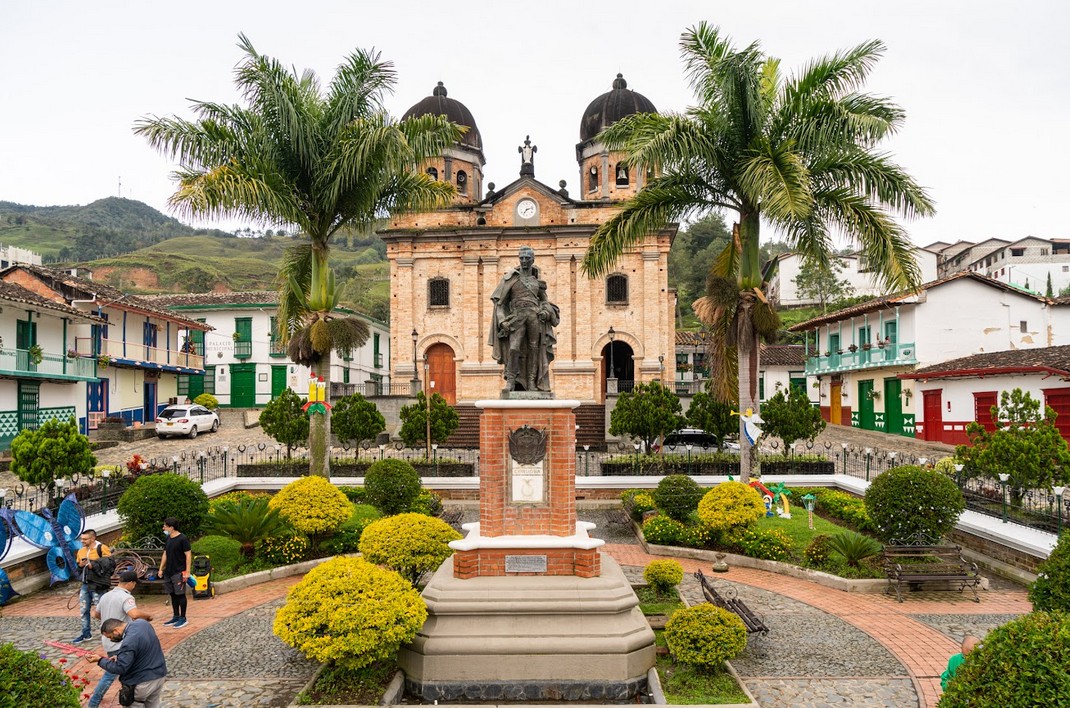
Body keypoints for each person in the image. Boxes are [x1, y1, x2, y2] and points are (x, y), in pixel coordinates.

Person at [488, 246, 560, 392]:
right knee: (514, 348)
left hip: (534, 317)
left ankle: (532, 382)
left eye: (527, 258)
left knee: (534, 349)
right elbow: (500, 304)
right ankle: (511, 381)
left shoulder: (537, 283)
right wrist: (502, 321)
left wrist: (546, 313)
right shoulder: (511, 279)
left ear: (532, 260)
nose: (524, 261)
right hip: (517, 317)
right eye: (522, 258)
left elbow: (544, 301)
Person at [87, 570, 154, 708]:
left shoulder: (106, 596)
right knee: (112, 673)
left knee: (121, 671)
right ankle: (94, 703)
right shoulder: (126, 597)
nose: (134, 587)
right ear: (130, 583)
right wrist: (148, 616)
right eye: (135, 584)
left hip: (108, 640)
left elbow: (96, 614)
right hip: (121, 641)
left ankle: (131, 699)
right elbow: (134, 614)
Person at [88, 618, 167, 708]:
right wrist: (120, 657)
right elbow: (142, 648)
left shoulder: (129, 642)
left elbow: (120, 668)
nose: (111, 640)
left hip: (142, 682)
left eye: (110, 637)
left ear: (115, 631)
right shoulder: (142, 623)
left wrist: (99, 660)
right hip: (159, 675)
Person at [73, 529, 113, 644]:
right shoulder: (81, 551)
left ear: (93, 538)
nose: (82, 541)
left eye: (85, 539)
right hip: (85, 584)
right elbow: (78, 568)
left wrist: (93, 565)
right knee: (84, 609)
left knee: (101, 610)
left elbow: (109, 564)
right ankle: (86, 633)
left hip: (98, 584)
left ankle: (107, 633)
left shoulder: (102, 548)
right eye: (81, 539)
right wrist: (81, 565)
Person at [158, 517, 191, 629]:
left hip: (179, 572)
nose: (163, 528)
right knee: (172, 594)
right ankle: (176, 616)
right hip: (169, 571)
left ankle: (183, 617)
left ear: (171, 527)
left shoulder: (183, 539)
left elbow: (188, 555)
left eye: (165, 526)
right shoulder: (168, 538)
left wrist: (187, 572)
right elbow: (165, 554)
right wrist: (161, 568)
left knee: (180, 595)